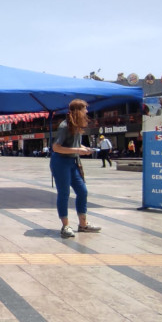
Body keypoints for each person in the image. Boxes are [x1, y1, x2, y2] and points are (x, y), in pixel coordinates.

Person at [50, 99, 101, 239]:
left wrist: (85, 149)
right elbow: (56, 147)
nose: (87, 111)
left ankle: (83, 224)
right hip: (60, 162)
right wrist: (78, 150)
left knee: (82, 191)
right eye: (84, 109)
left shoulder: (76, 125)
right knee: (64, 193)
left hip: (73, 162)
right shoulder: (64, 126)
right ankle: (65, 226)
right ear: (78, 110)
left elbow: (75, 144)